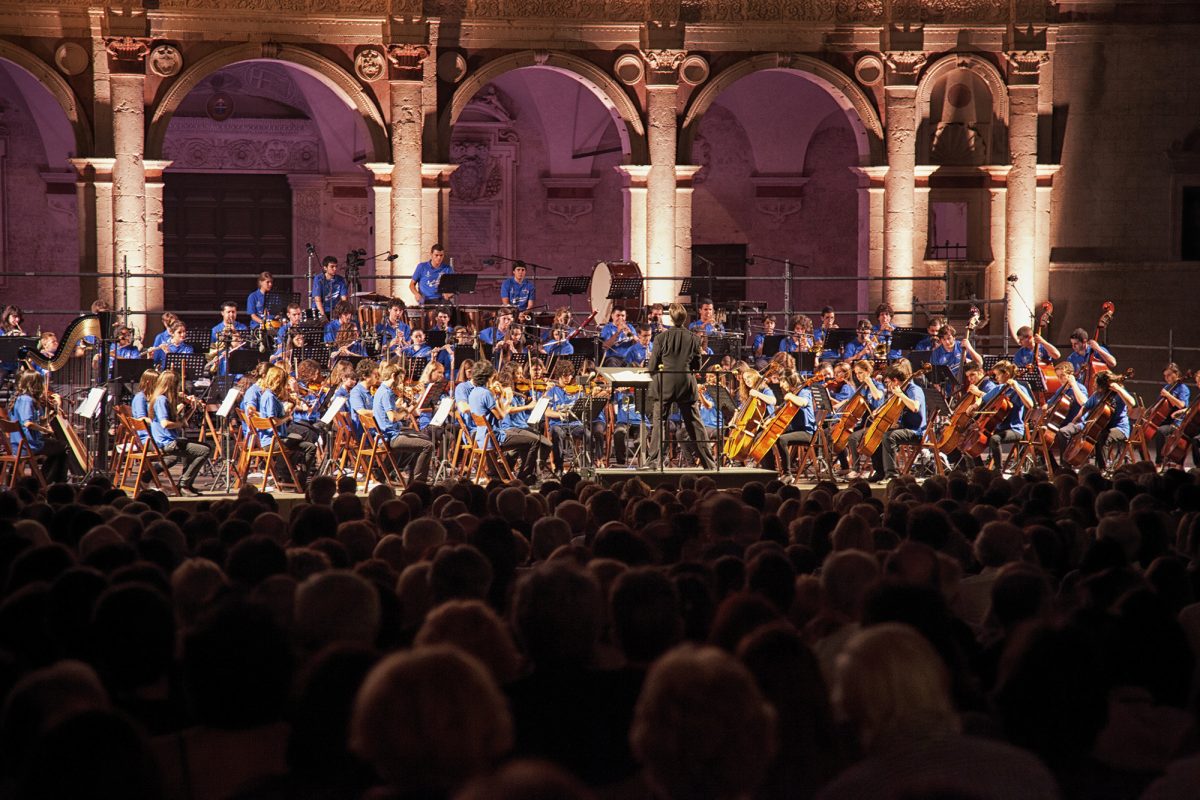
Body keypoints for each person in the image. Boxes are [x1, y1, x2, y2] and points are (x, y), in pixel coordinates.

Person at [646, 303, 715, 469]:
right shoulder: (694, 338)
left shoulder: (661, 338)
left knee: (659, 421)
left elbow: (653, 366)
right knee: (694, 423)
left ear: (671, 318)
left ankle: (654, 461)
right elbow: (696, 366)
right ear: (684, 319)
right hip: (686, 383)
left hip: (666, 384)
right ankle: (708, 462)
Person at [848, 363, 925, 482]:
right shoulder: (900, 391)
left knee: (888, 437)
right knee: (877, 434)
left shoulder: (913, 389)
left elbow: (915, 407)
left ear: (895, 381)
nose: (887, 385)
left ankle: (892, 475)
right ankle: (880, 472)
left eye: (888, 382)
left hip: (916, 431)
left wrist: (900, 394)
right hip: (903, 428)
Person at [1055, 369, 1137, 470]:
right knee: (1063, 431)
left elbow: (1132, 403)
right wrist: (1076, 420)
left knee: (1102, 437)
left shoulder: (1119, 394)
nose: (1098, 388)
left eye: (1100, 386)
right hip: (1095, 425)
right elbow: (1085, 407)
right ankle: (1066, 466)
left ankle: (1102, 469)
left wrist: (1119, 389)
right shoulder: (1097, 394)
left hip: (1119, 428)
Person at [148, 370, 211, 495]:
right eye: (176, 385)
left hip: (171, 440)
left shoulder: (163, 399)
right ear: (171, 385)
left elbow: (182, 422)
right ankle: (183, 484)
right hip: (167, 443)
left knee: (203, 447)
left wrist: (192, 408)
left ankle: (187, 485)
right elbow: (165, 423)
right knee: (205, 451)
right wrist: (180, 423)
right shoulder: (161, 400)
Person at [372, 362, 434, 483]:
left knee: (423, 437)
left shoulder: (382, 390)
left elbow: (397, 414)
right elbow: (392, 418)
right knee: (428, 445)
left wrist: (413, 404)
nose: (401, 382)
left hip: (387, 434)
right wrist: (403, 413)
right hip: (390, 437)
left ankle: (411, 480)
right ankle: (418, 482)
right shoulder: (387, 393)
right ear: (393, 376)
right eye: (400, 378)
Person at [8, 370, 68, 483]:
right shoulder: (27, 400)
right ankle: (47, 481)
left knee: (58, 447)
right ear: (35, 384)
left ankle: (46, 480)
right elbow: (28, 423)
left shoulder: (22, 398)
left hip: (21, 444)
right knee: (63, 447)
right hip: (28, 445)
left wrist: (54, 412)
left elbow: (38, 422)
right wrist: (45, 430)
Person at [978, 360, 1035, 470]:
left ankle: (998, 470)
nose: (996, 378)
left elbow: (1030, 405)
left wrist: (1016, 387)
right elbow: (983, 399)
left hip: (1015, 430)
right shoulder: (999, 388)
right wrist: (975, 405)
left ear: (1006, 374)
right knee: (973, 438)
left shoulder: (1019, 388)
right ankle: (977, 468)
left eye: (998, 375)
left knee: (995, 439)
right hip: (999, 428)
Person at [1151, 362, 1192, 463]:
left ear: (1177, 374)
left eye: (1169, 375)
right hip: (1164, 419)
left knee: (1160, 431)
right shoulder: (1166, 387)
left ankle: (1159, 461)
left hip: (1176, 422)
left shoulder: (1183, 388)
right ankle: (1146, 460)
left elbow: (1182, 405)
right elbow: (1160, 405)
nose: (1166, 378)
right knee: (1142, 433)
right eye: (1165, 375)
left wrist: (1168, 395)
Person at [929, 323, 982, 396]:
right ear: (940, 340)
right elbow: (935, 379)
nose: (947, 342)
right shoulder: (936, 353)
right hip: (947, 389)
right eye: (943, 339)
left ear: (954, 337)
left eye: (949, 338)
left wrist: (969, 348)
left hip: (966, 385)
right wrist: (941, 393)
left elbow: (979, 362)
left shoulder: (962, 346)